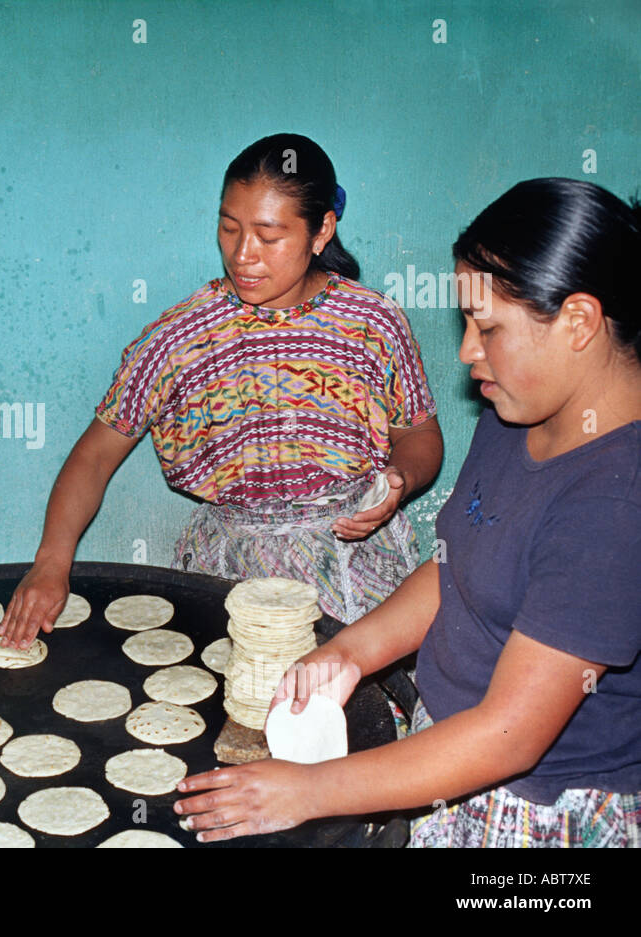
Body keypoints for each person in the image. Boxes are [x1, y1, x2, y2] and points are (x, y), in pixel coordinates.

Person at [175, 178, 641, 847]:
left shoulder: (615, 505)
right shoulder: (517, 413)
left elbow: (508, 736)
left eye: (488, 328)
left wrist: (304, 791)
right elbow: (452, 569)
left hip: (537, 812)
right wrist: (348, 651)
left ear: (578, 322)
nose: (467, 353)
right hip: (443, 749)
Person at [0, 134, 442, 648]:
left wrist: (399, 481)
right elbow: (95, 456)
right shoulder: (184, 336)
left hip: (353, 570)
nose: (242, 255)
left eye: (268, 236)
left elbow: (420, 434)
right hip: (230, 573)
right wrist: (51, 564)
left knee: (351, 720)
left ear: (322, 230)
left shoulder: (372, 322)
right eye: (229, 228)